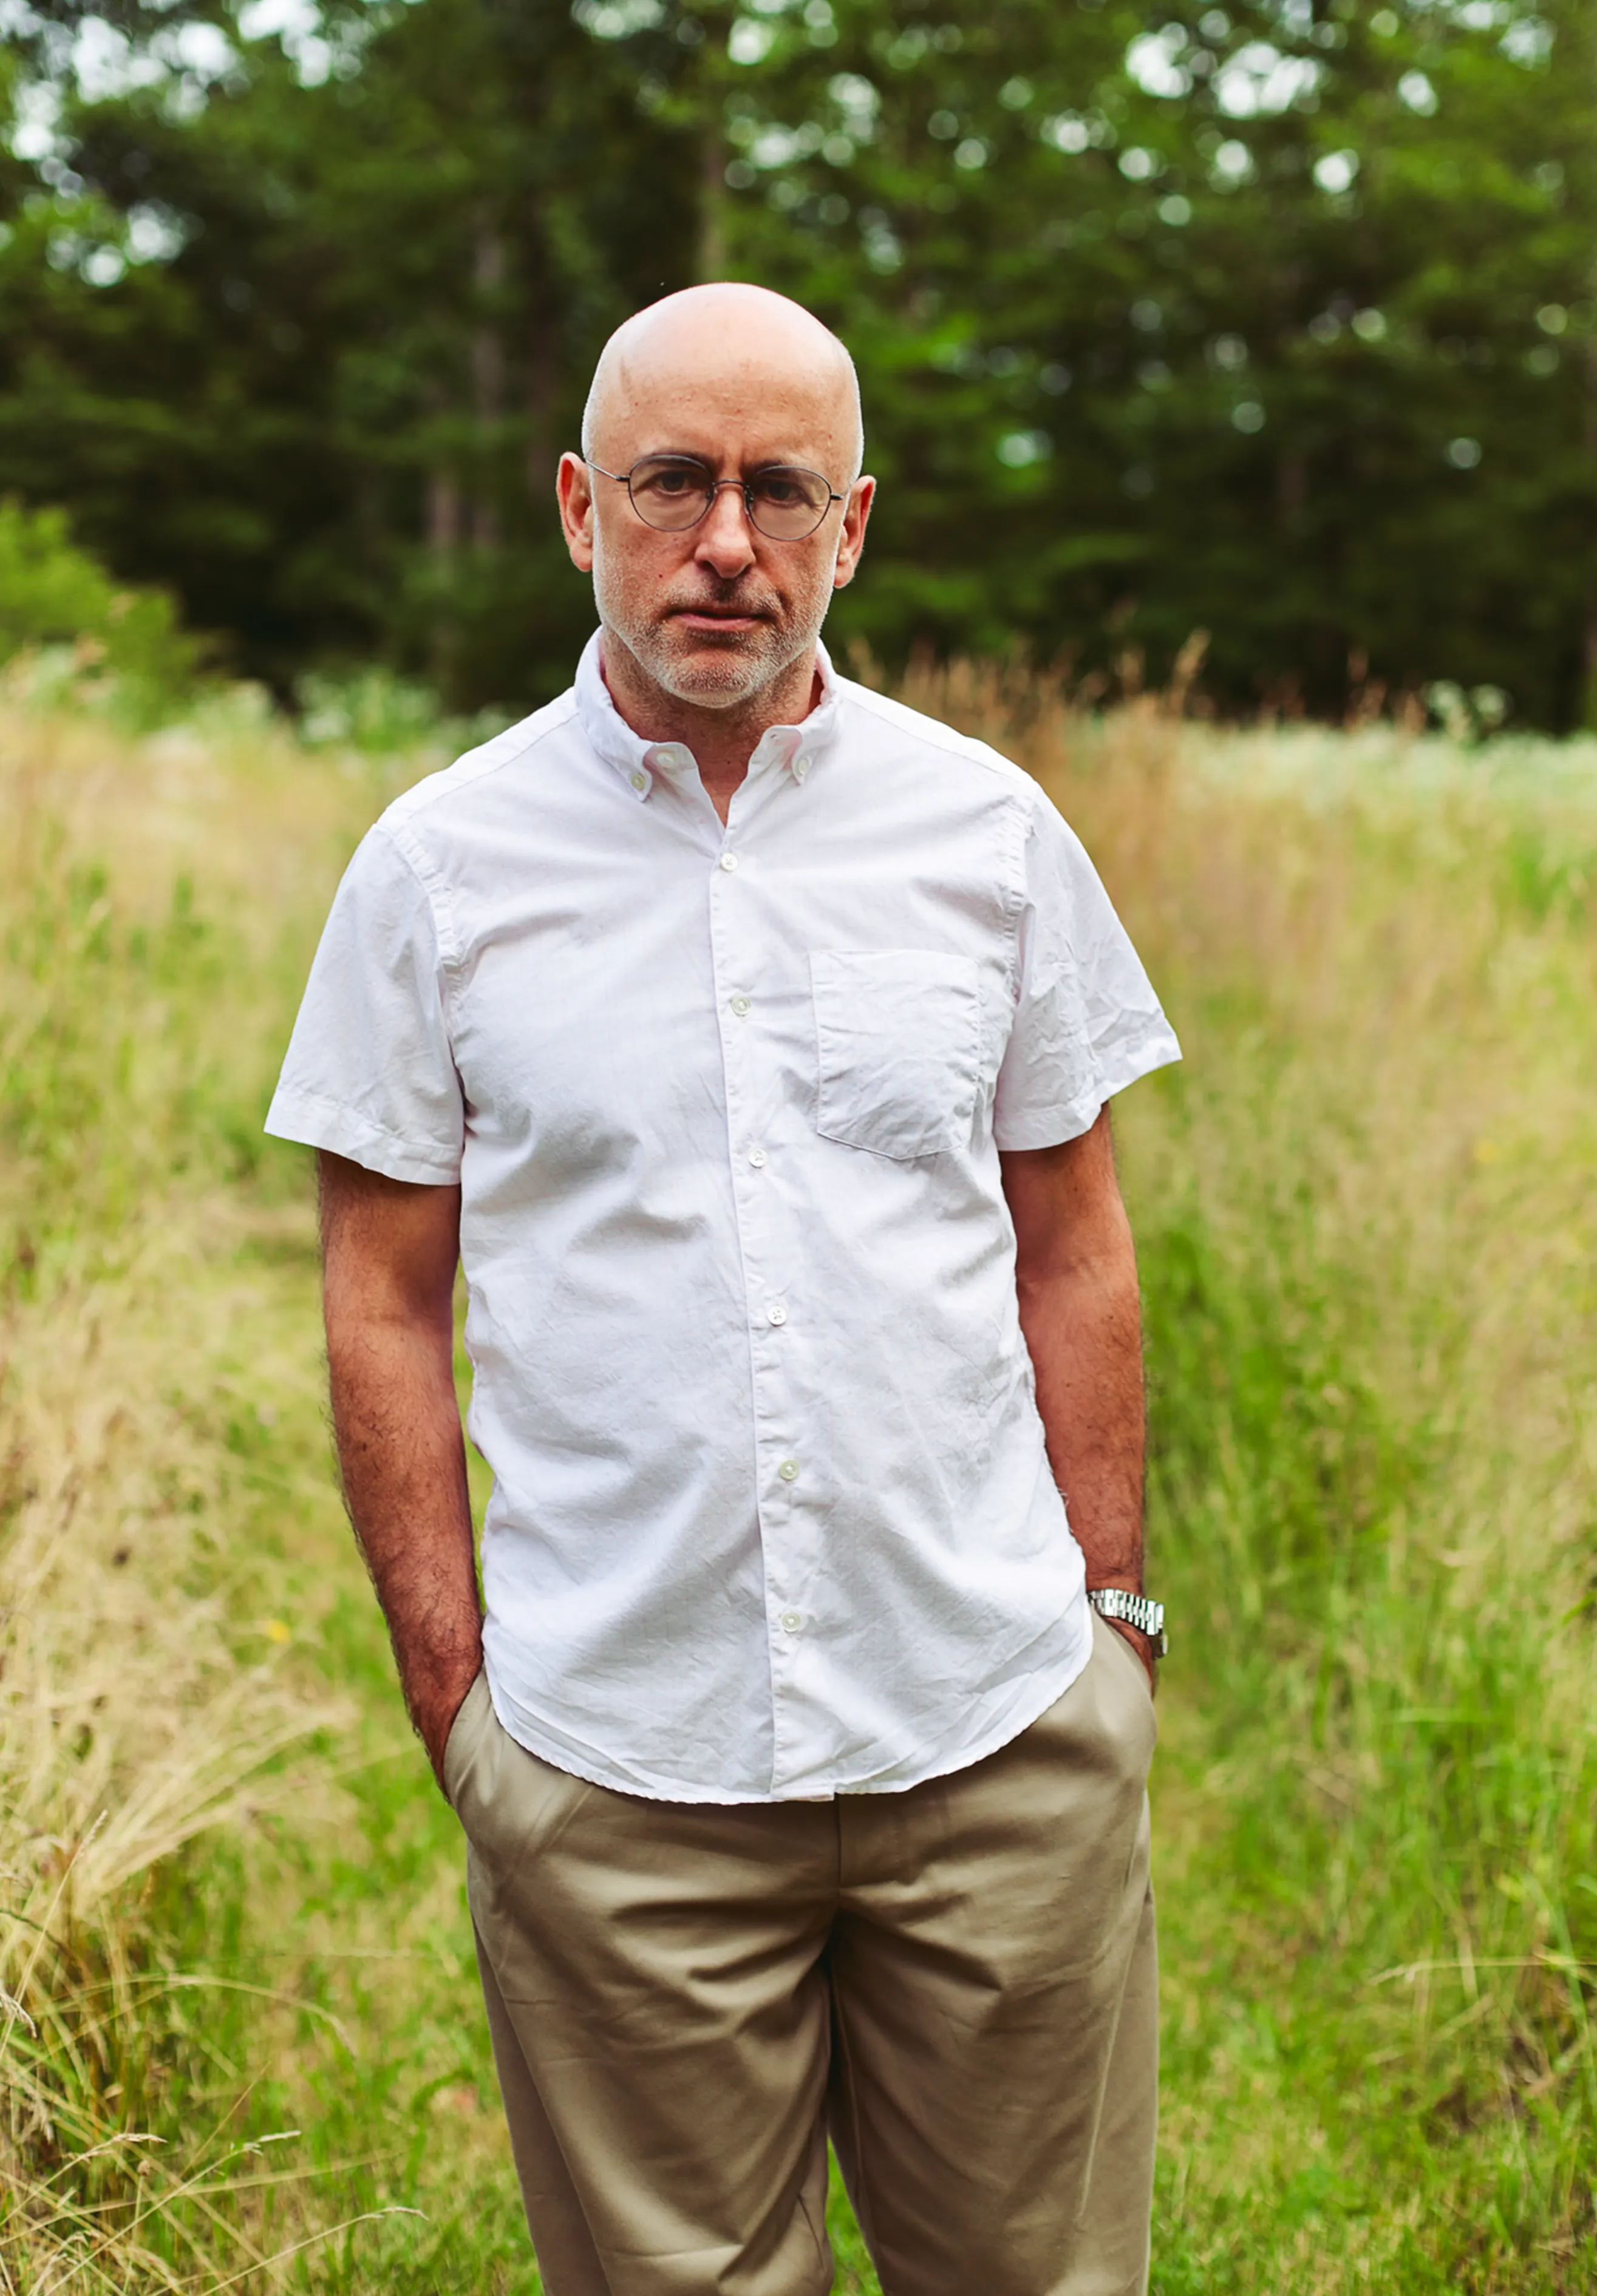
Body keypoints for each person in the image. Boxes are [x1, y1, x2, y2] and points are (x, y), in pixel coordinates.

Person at [266, 282, 1180, 2296]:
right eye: (675, 483)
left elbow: (1071, 1237)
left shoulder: (990, 837)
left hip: (992, 1730)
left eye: (783, 490)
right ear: (579, 502)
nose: (726, 545)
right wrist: (461, 1708)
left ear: (854, 525)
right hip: (620, 1773)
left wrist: (1108, 1628)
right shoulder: (437, 868)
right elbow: (381, 1298)